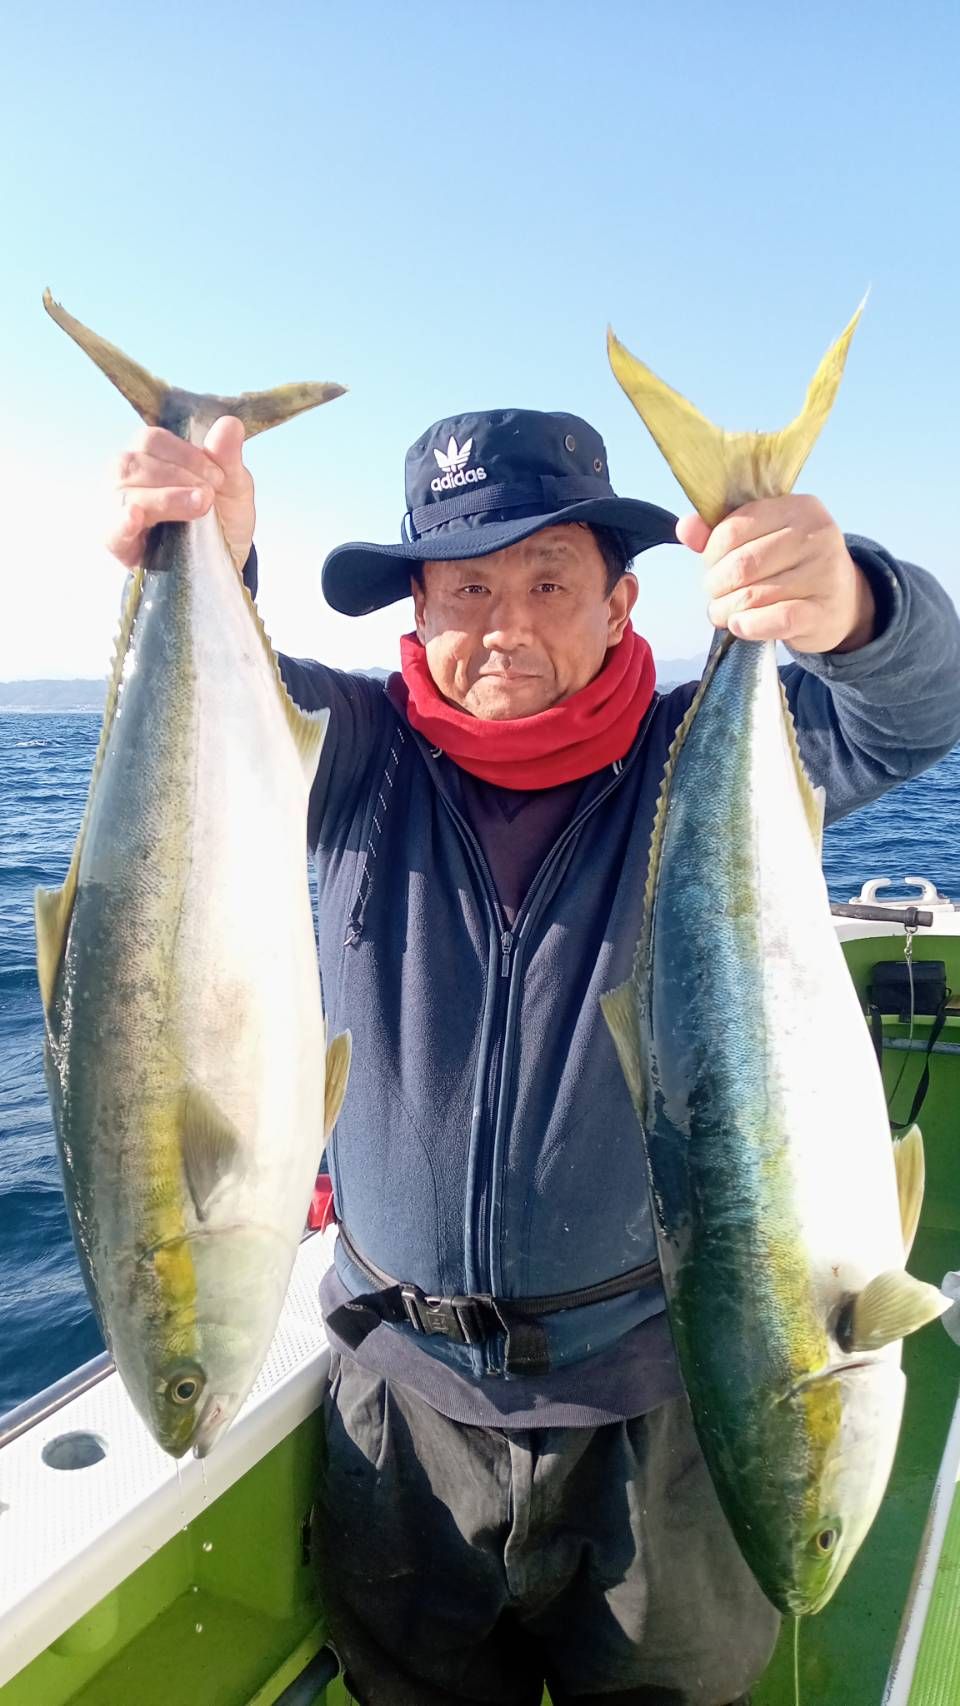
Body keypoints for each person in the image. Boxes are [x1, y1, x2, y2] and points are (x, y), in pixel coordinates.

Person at [110, 405, 960, 1706]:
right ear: (417, 612)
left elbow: (916, 712)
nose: (504, 624)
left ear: (622, 604)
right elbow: (210, 712)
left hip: (661, 1409)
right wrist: (211, 557)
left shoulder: (698, 751)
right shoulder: (343, 755)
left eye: (548, 582)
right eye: (466, 589)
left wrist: (850, 605)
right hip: (400, 1414)